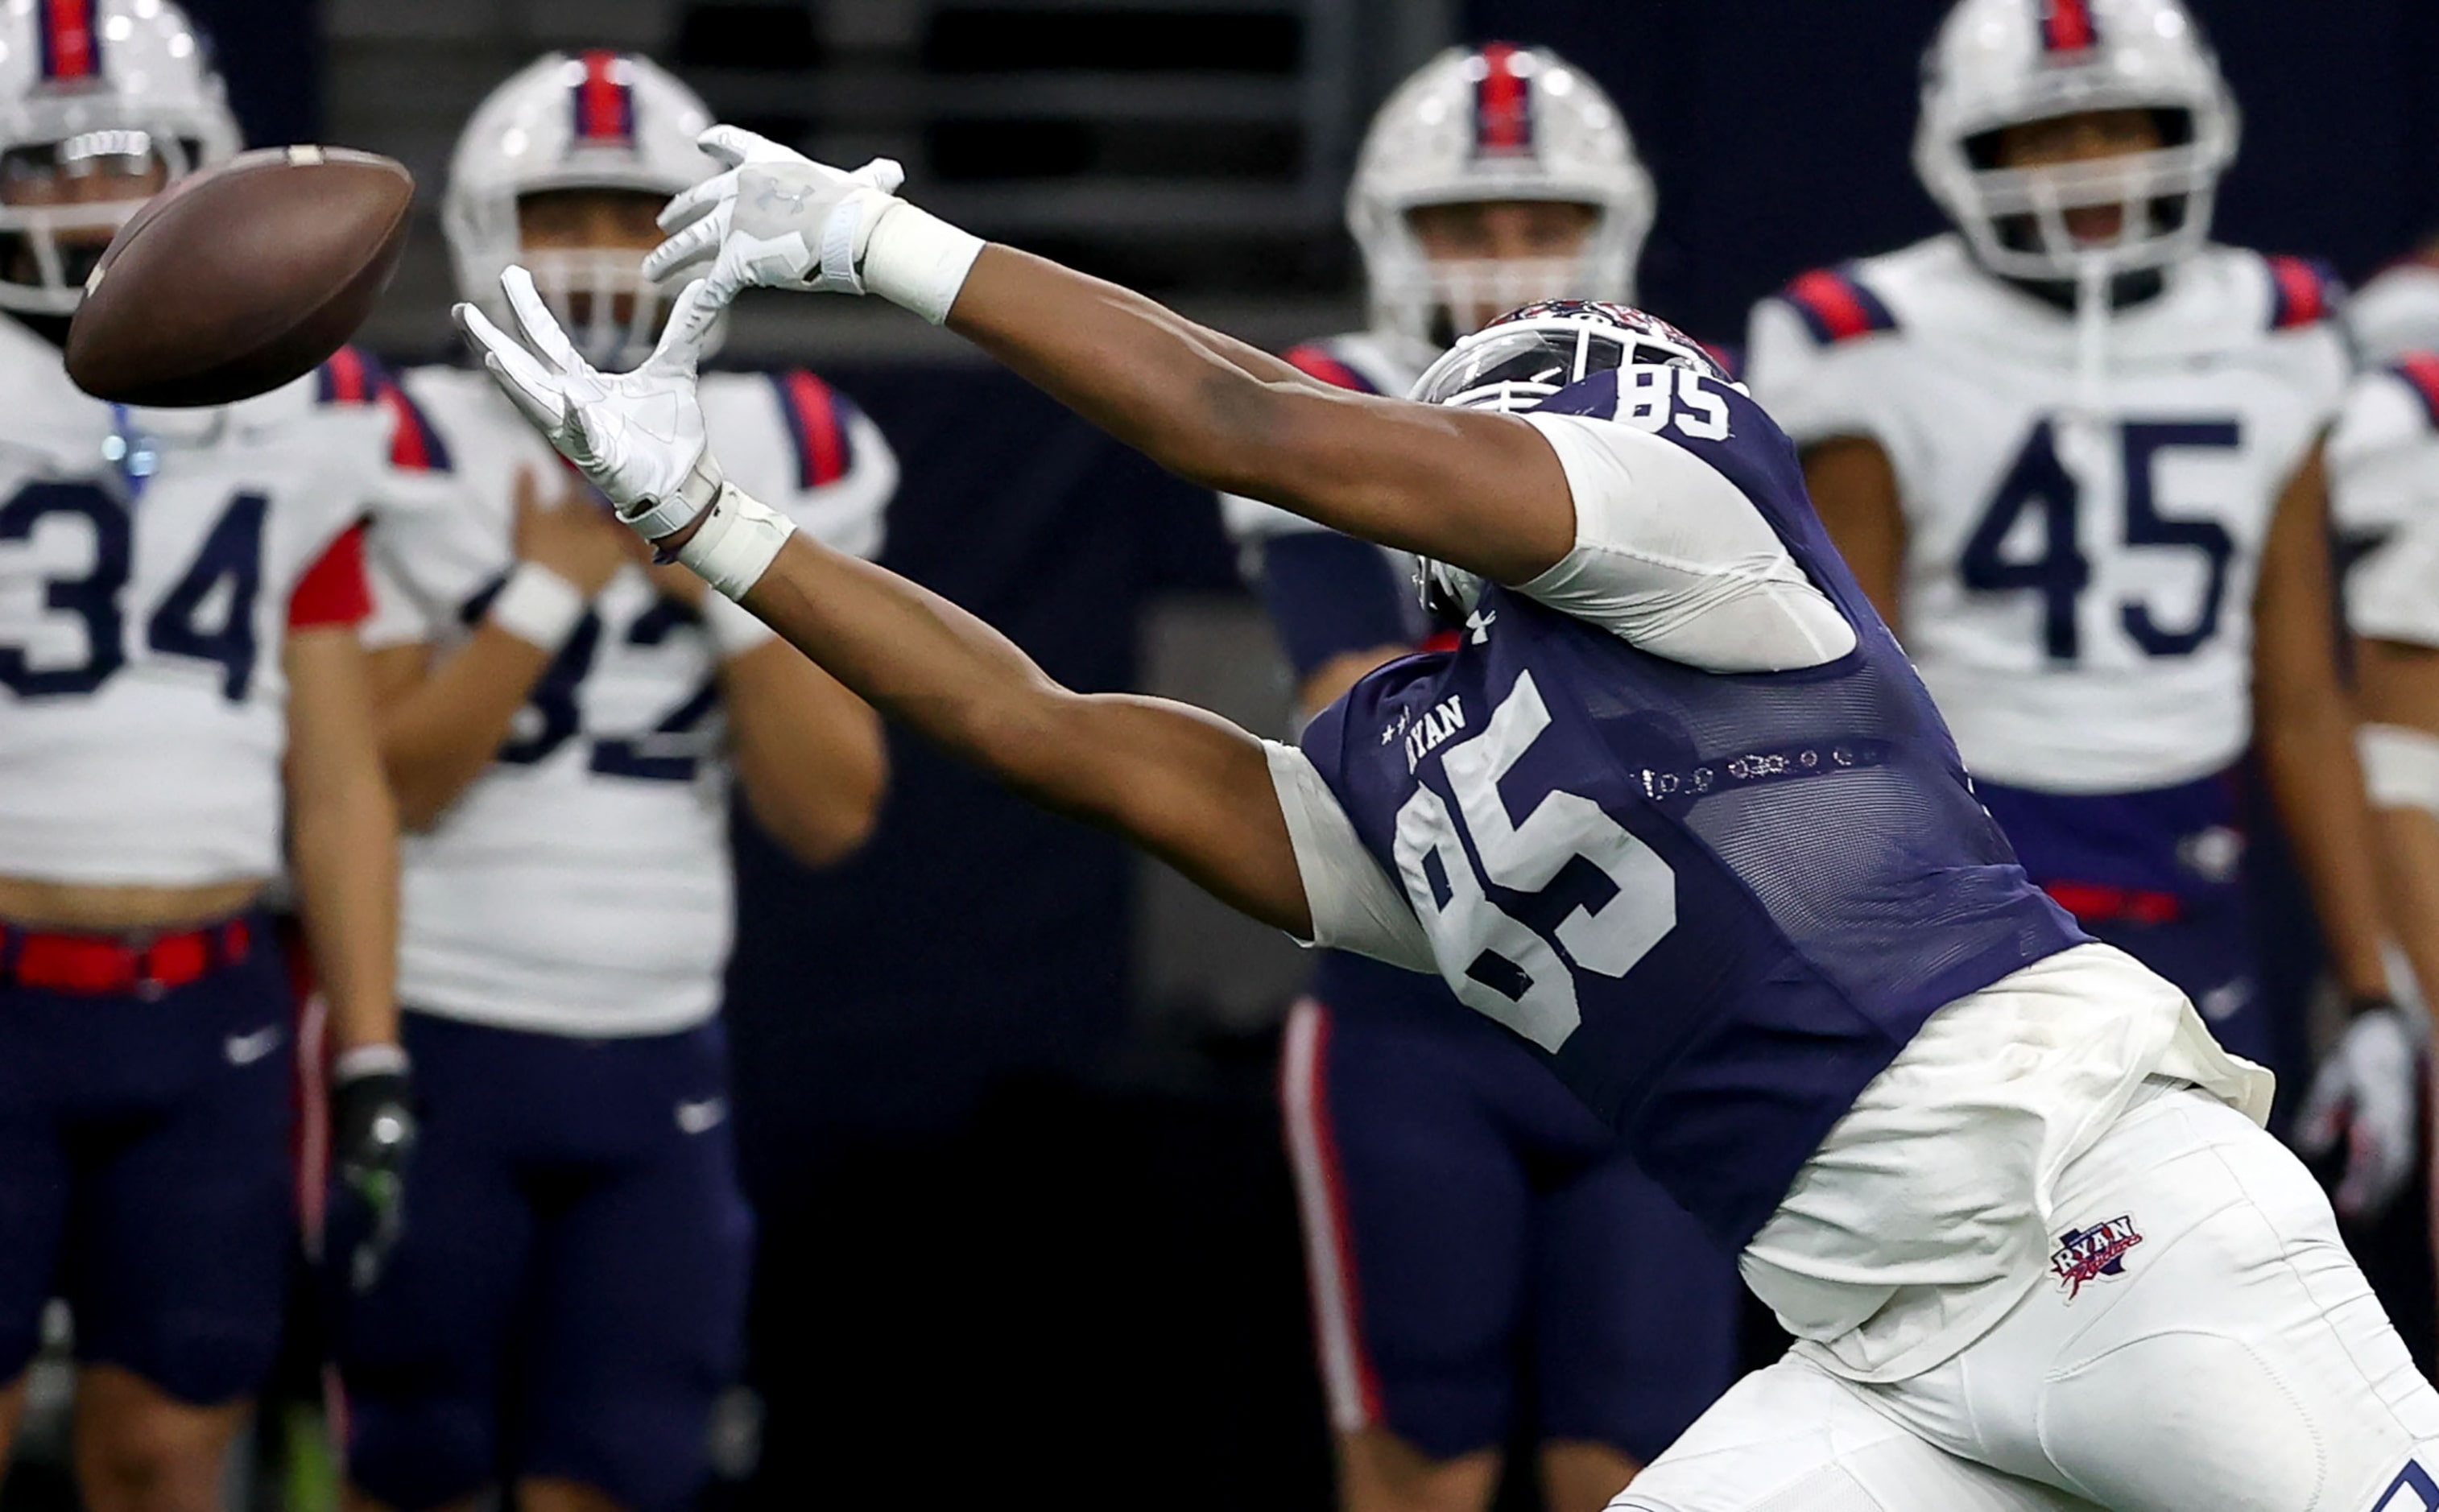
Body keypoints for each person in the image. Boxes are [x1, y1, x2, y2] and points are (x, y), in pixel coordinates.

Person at [453, 109, 2439, 1502]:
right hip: (1885, 1358)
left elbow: (1245, 424)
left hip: (2105, 1215)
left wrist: (889, 244)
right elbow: (1047, 726)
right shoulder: (1418, 773)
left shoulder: (1709, 535)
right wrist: (704, 524)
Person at [1742, 0, 2408, 1216]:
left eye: (2119, 126)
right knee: (1972, 1264)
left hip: (2184, 865)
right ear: (1970, 149)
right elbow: (1845, 693)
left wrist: (2372, 989)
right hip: (1959, 853)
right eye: (2048, 135)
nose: (2089, 167)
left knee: (2195, 1250)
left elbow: (2302, 697)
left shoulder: (2282, 324)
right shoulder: (1866, 335)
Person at [337, 52, 890, 1512]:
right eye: (558, 208)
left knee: (628, 1469)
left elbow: (830, 812)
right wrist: (543, 586)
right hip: (443, 1030)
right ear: (480, 232)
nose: (592, 248)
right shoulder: (388, 436)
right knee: (418, 1469)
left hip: (659, 1052)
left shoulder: (798, 444)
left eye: (628, 210)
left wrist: (708, 533)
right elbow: (375, 792)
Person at [1226, 43, 1733, 1510]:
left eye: (1540, 224)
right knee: (1412, 1479)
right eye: (1465, 225)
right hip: (1417, 1014)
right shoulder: (1319, 394)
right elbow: (1355, 716)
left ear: (1611, 234)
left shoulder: (1686, 401)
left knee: (1642, 1480)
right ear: (1393, 238)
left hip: (1647, 1018)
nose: (1505, 262)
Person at [0, 3, 407, 1509]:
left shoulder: (307, 396)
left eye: (124, 158)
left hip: (213, 999)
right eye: (39, 166)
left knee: (173, 1448)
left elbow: (338, 765)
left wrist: (366, 1044)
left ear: (205, 170)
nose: (87, 200)